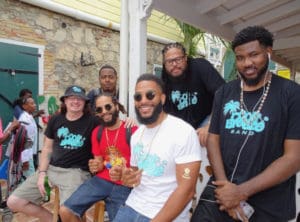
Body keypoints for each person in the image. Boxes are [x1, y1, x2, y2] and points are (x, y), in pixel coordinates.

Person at [191, 26, 300, 222]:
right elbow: (214, 140)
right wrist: (225, 187)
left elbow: (294, 157)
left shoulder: (291, 93)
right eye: (240, 58)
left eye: (254, 55)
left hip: (268, 202)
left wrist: (240, 192)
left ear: (268, 52)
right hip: (220, 194)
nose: (247, 63)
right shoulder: (225, 92)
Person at [112, 73, 201, 222]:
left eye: (150, 95)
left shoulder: (183, 132)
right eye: (138, 97)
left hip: (165, 215)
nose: (143, 101)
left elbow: (187, 189)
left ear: (163, 98)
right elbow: (135, 177)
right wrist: (125, 176)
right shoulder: (136, 136)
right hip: (132, 206)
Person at [7, 85, 99, 222]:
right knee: (14, 201)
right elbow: (47, 148)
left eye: (80, 98)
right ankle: (53, 220)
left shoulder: (93, 121)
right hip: (51, 169)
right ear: (65, 101)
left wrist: (128, 121)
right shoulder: (56, 120)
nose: (76, 101)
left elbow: (114, 126)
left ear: (85, 102)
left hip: (76, 172)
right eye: (71, 98)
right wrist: (42, 172)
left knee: (69, 211)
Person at [59, 93, 137, 222]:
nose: (104, 112)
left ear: (116, 106)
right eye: (99, 109)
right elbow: (100, 162)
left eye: (108, 107)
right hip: (101, 181)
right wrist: (96, 165)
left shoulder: (132, 130)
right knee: (65, 211)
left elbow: (139, 166)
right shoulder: (97, 133)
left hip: (124, 184)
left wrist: (125, 173)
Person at [161, 42, 225, 146]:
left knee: (209, 138)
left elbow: (222, 93)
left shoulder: (200, 66)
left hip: (207, 117)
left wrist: (211, 125)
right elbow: (163, 110)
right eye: (169, 61)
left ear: (185, 58)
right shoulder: (164, 80)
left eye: (178, 59)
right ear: (164, 63)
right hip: (184, 126)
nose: (174, 64)